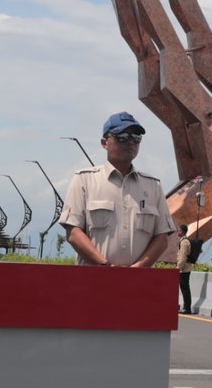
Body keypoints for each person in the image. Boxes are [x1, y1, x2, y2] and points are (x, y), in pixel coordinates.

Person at [60, 112, 172, 268]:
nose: (130, 142)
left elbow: (162, 237)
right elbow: (73, 233)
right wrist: (105, 266)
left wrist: (138, 269)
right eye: (122, 136)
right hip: (93, 278)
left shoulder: (153, 186)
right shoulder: (84, 180)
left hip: (137, 280)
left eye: (136, 137)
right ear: (104, 142)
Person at [175, 223, 204, 313]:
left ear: (182, 231)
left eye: (178, 230)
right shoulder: (184, 241)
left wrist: (178, 268)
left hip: (184, 269)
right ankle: (186, 307)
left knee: (185, 288)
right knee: (185, 288)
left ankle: (187, 308)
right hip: (185, 268)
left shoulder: (184, 242)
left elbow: (182, 256)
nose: (177, 232)